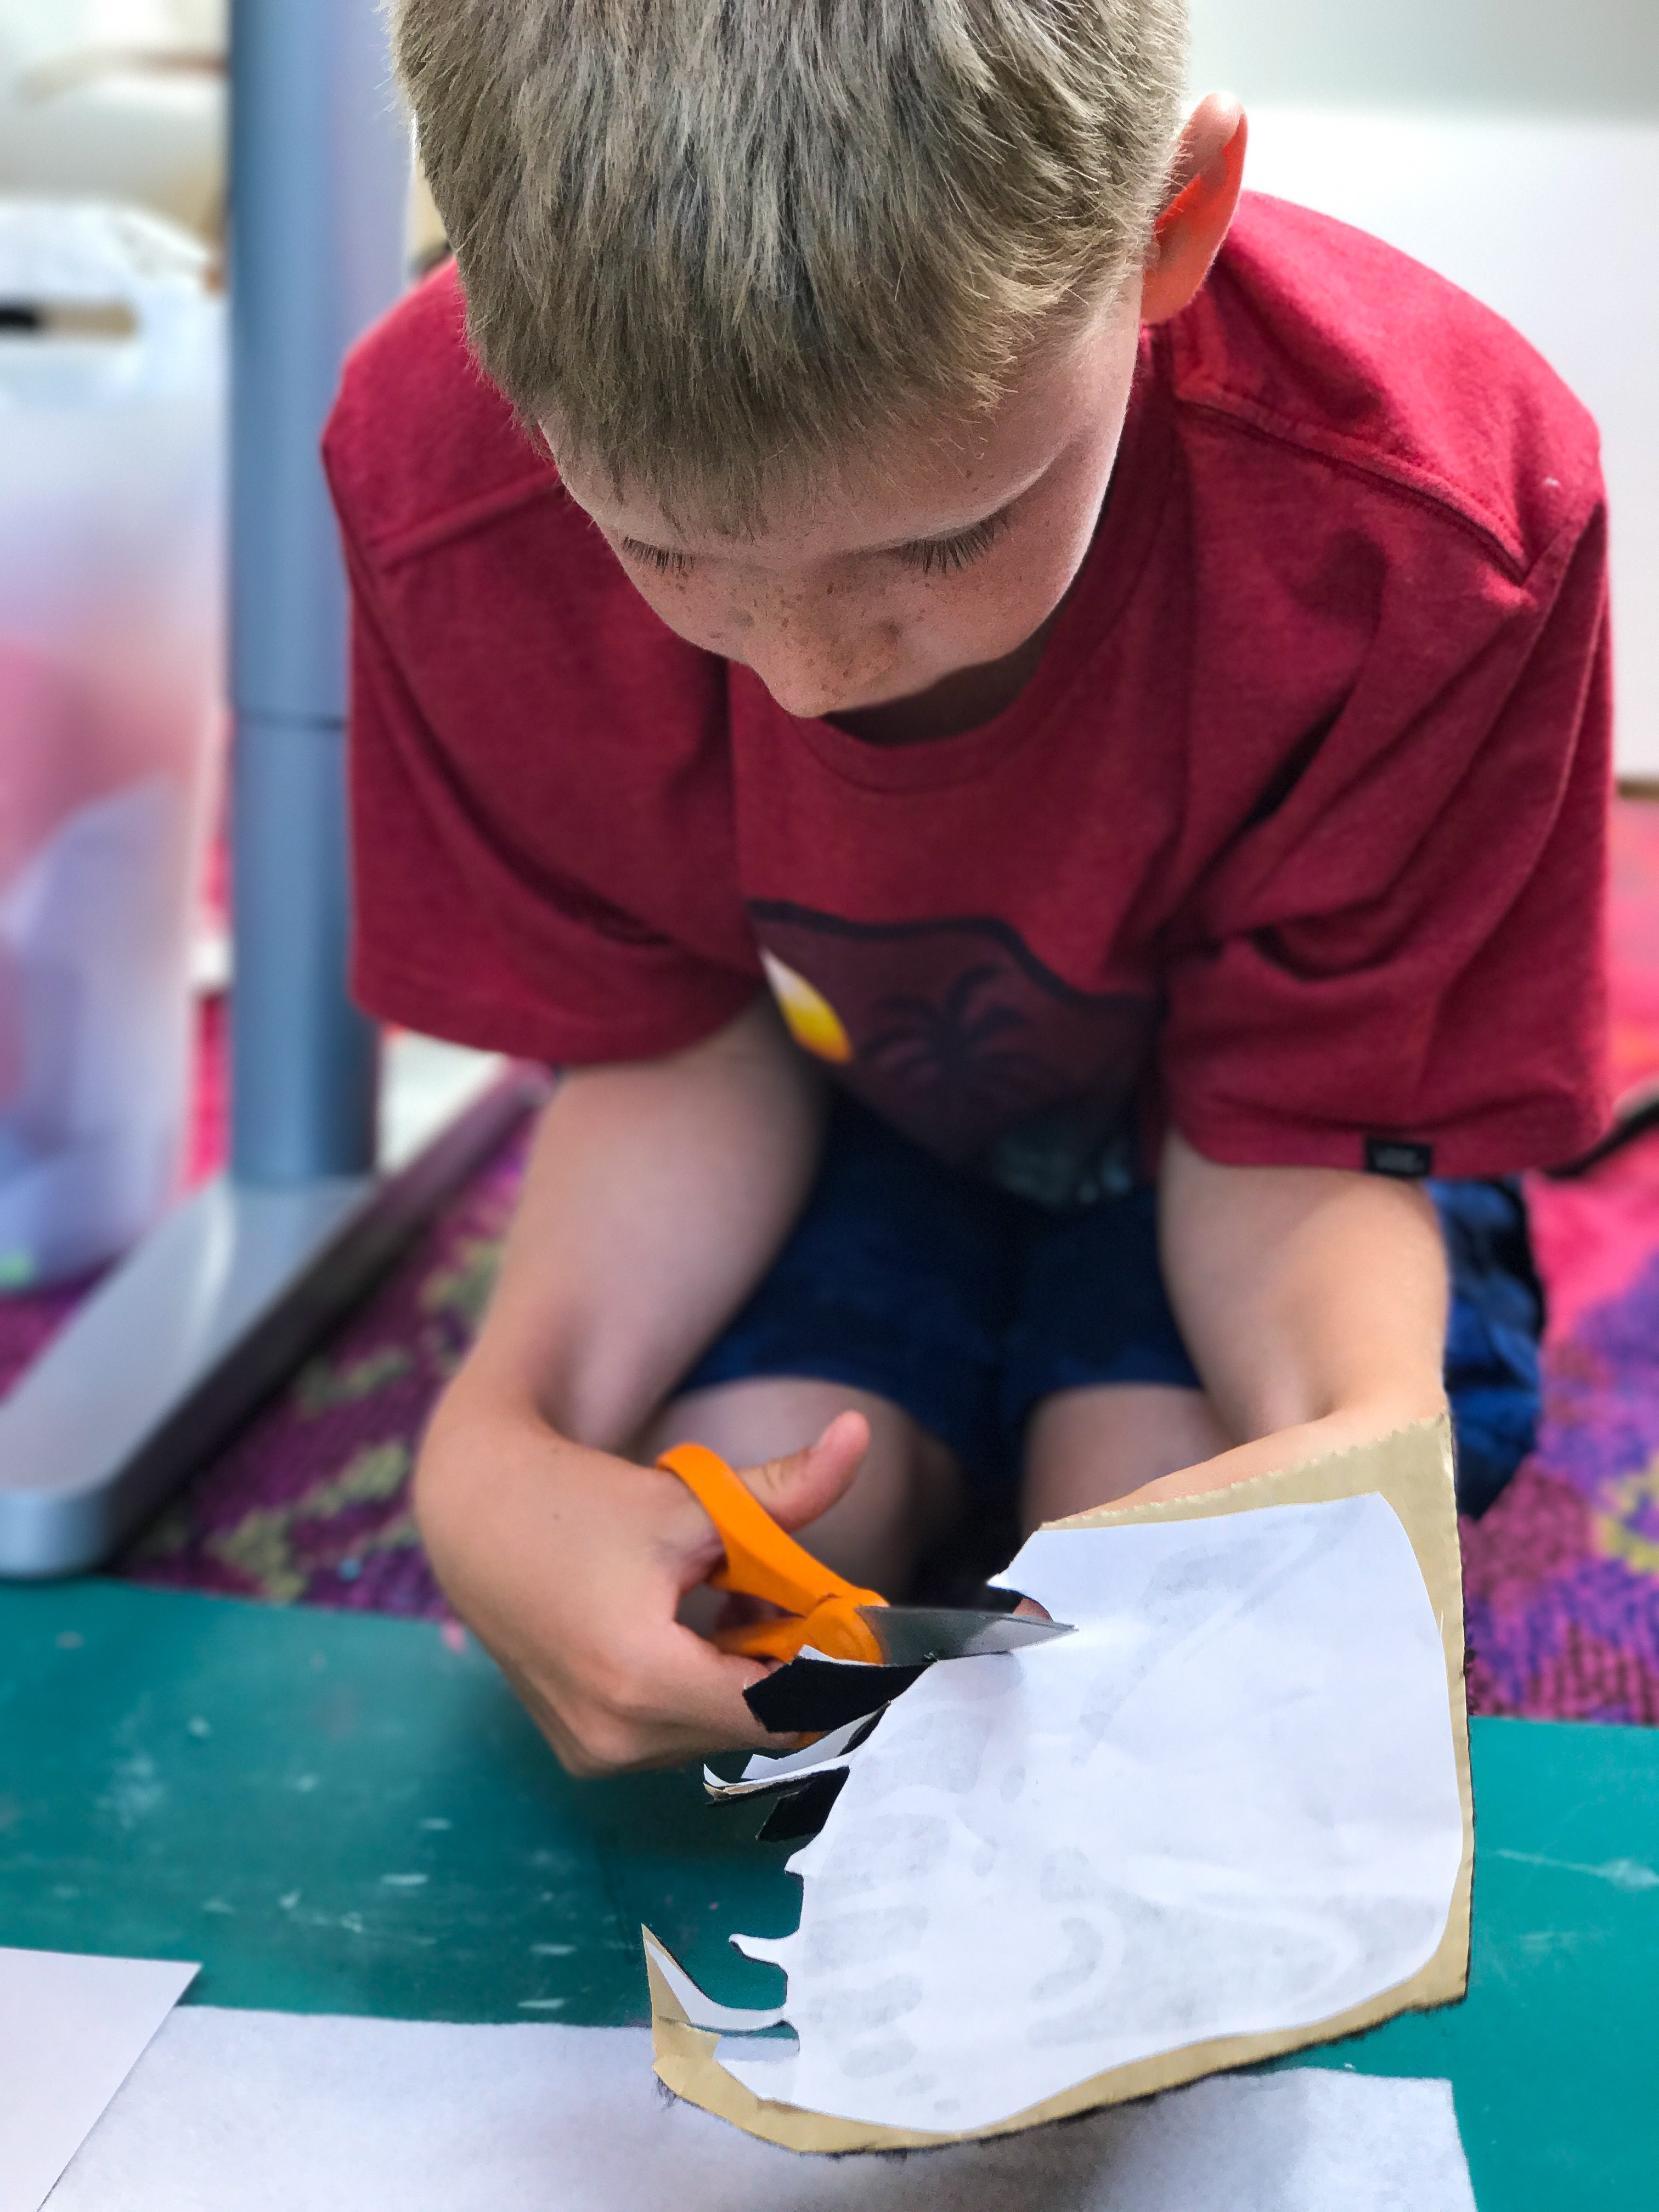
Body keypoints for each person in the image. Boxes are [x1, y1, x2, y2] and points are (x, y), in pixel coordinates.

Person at [324, 1, 1610, 1776]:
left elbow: (1310, 1123)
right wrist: (499, 1444)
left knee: (1165, 1572)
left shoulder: (1432, 529)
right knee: (748, 1536)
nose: (810, 673)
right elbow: (674, 1040)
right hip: (822, 1086)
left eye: (941, 540)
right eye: (663, 546)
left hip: (1261, 1145)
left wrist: (1351, 1434)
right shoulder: (438, 488)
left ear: (1173, 224)